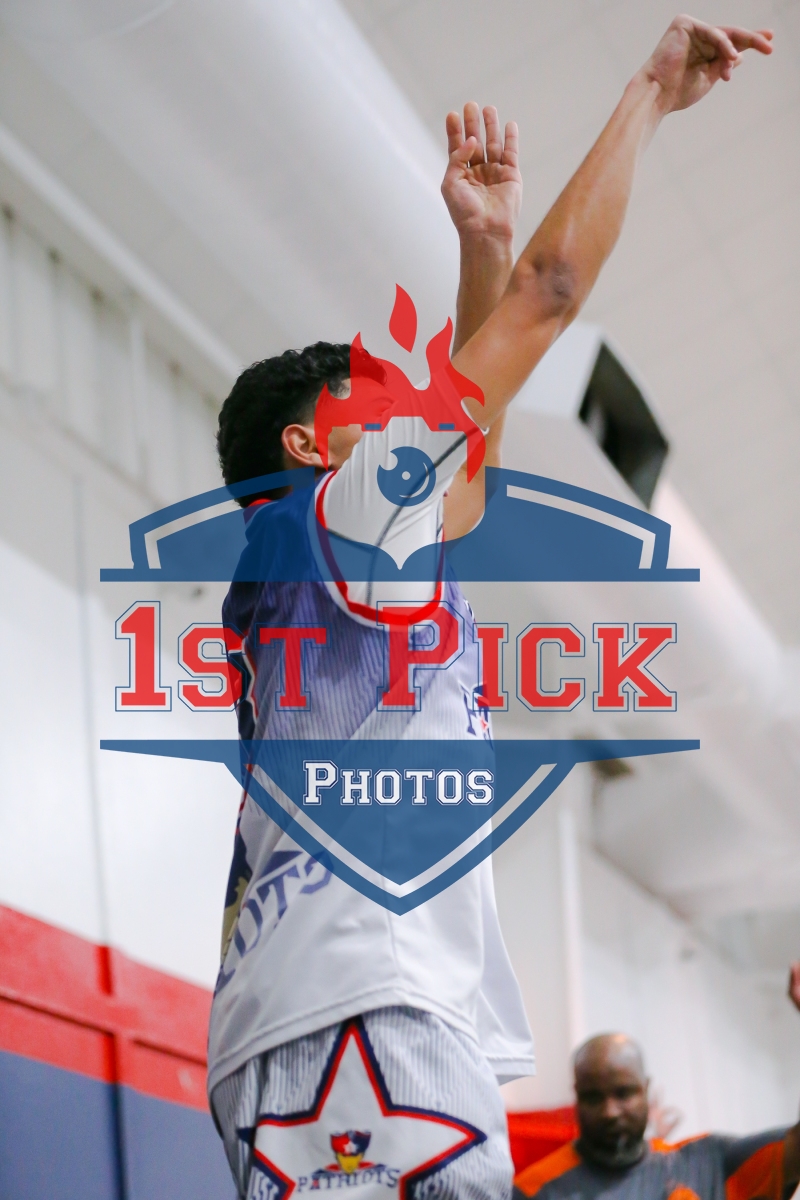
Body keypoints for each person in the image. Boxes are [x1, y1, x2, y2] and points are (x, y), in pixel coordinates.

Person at [210, 17, 773, 1199]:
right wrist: (648, 93)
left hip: (321, 1009)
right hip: (361, 1006)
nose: (404, 405)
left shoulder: (323, 557)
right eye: (374, 401)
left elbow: (467, 478)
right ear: (313, 447)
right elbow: (548, 299)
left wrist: (481, 248)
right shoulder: (334, 521)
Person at [513, 1032, 800, 1200]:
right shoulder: (535, 1191)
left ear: (646, 1090)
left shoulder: (708, 1164)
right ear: (576, 1096)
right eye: (593, 1097)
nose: (609, 1112)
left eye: (623, 1093)